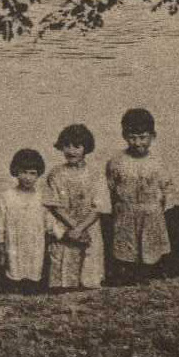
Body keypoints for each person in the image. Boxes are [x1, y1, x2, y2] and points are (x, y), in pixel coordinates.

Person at [106, 108, 174, 285]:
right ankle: (128, 278)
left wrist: (160, 208)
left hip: (151, 213)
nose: (137, 143)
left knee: (150, 248)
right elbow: (111, 188)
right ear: (124, 136)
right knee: (126, 249)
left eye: (143, 137)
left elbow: (167, 188)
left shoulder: (158, 162)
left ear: (152, 136)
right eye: (132, 137)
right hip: (125, 213)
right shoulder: (117, 162)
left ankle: (150, 277)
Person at [43, 124, 110, 290]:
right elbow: (54, 206)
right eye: (67, 146)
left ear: (86, 148)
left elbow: (99, 207)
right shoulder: (56, 174)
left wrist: (81, 228)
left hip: (89, 227)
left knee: (89, 273)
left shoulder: (95, 174)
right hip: (66, 228)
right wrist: (73, 228)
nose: (71, 151)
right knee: (64, 271)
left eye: (77, 146)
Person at [0, 148, 48, 292]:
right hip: (13, 245)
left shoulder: (42, 198)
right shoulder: (6, 196)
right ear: (16, 172)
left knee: (33, 278)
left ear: (38, 174)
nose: (27, 177)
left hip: (35, 246)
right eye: (23, 172)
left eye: (32, 173)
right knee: (13, 277)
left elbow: (49, 223)